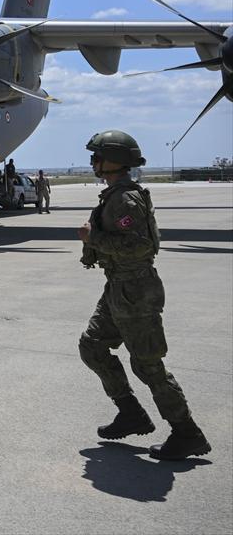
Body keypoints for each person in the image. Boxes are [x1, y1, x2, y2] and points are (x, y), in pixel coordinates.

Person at [77, 130, 210, 460]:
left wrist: (94, 239)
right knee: (92, 346)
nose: (93, 161)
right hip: (118, 287)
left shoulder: (126, 200)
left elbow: (140, 246)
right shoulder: (114, 195)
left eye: (98, 156)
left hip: (135, 289)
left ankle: (186, 433)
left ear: (114, 162)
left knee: (148, 365)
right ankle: (131, 413)